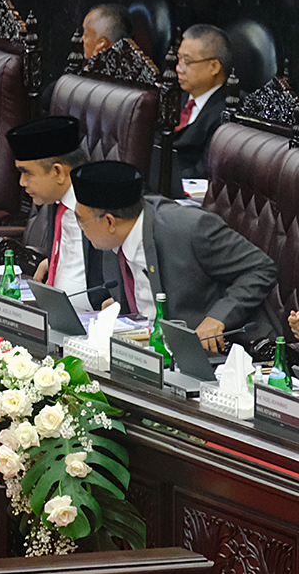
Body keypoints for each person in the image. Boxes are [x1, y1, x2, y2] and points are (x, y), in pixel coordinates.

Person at [71, 160, 278, 352]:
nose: (82, 230)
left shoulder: (189, 229)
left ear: (110, 222)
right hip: (146, 351)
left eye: (82, 221)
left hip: (217, 355)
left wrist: (218, 318)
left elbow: (261, 268)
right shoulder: (113, 241)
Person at [6, 116, 105, 312]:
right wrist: (52, 263)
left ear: (58, 172)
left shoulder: (102, 206)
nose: (22, 182)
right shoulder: (55, 199)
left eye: (28, 173)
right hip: (55, 315)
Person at [42, 4, 133, 111]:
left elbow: (48, 98)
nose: (82, 39)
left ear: (101, 46)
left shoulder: (93, 82)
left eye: (86, 33)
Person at [172, 24, 230, 178]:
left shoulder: (227, 112)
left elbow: (205, 172)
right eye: (179, 59)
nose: (179, 68)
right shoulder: (174, 97)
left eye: (188, 61)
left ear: (214, 67)